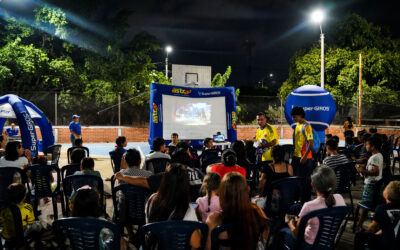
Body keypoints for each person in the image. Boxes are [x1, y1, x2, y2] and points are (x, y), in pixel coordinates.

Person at [275, 166, 346, 249]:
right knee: (296, 207)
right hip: (328, 243)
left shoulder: (309, 206)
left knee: (280, 232)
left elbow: (296, 234)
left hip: (308, 246)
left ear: (312, 185)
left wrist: (290, 223)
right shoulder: (340, 198)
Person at [206, 172, 270, 249]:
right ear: (246, 191)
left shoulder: (214, 219)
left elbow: (208, 248)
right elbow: (266, 240)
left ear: (222, 194)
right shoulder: (257, 211)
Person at [145, 163, 201, 249]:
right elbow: (196, 244)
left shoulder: (152, 200)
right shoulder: (188, 210)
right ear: (185, 183)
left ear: (164, 180)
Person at [354, 180, 400, 250]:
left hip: (387, 244)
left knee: (359, 236)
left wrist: (371, 235)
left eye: (385, 188)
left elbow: (372, 228)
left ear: (386, 195)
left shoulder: (381, 208)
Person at [355, 136, 384, 231]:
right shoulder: (379, 155)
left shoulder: (374, 157)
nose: (366, 146)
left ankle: (359, 225)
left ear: (373, 146)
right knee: (368, 204)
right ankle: (361, 224)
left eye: (367, 144)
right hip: (375, 184)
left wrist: (362, 171)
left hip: (370, 185)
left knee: (365, 205)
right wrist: (364, 168)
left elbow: (375, 172)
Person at [291, 106, 314, 200]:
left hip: (305, 158)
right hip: (296, 156)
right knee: (296, 178)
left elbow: (311, 143)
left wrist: (304, 156)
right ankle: (298, 198)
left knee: (305, 180)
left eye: (295, 116)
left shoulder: (307, 126)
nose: (293, 118)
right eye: (292, 116)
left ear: (301, 115)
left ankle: (306, 200)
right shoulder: (297, 125)